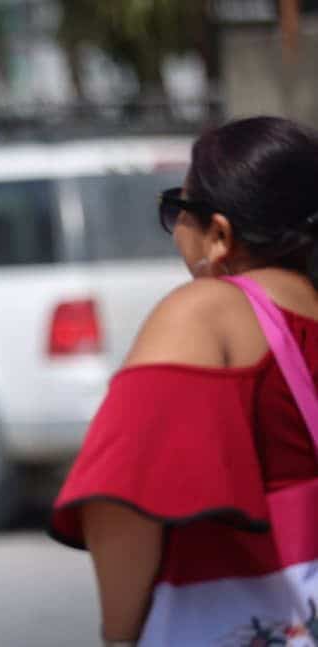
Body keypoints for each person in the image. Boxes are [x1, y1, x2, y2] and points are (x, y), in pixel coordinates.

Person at [49, 116, 318, 645]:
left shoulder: (205, 312)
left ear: (218, 235)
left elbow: (120, 502)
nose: (174, 228)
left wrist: (122, 634)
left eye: (176, 208)